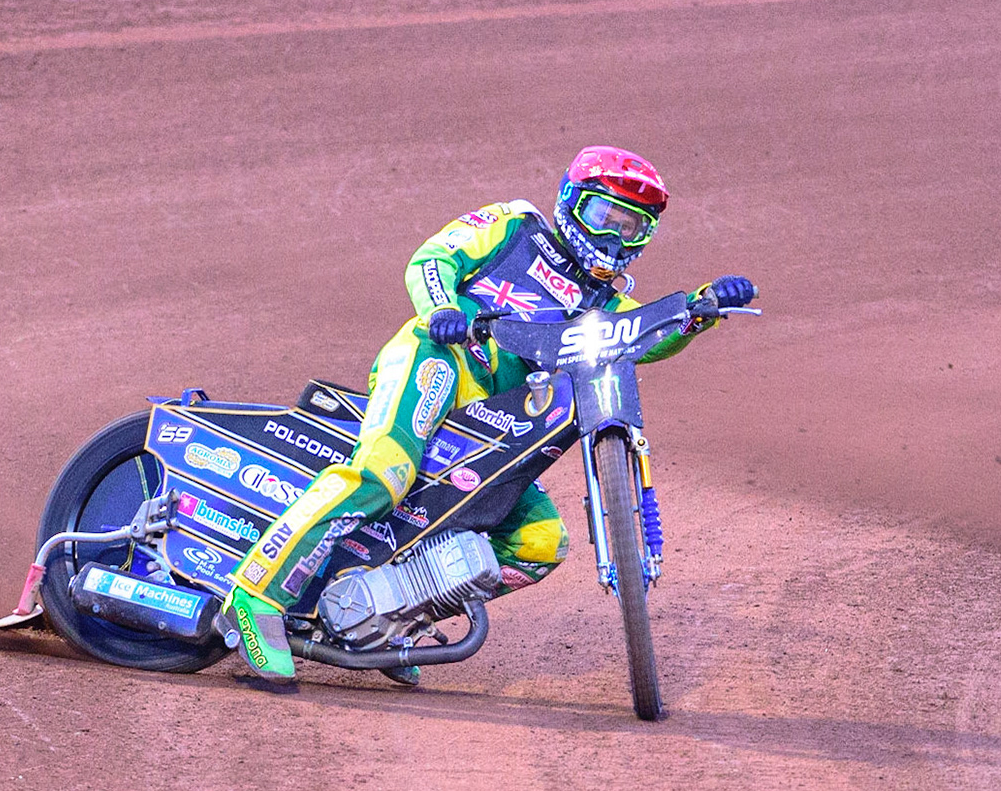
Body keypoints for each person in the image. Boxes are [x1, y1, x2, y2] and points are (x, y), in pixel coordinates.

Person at [220, 145, 757, 682]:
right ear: (572, 203)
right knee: (385, 474)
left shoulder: (605, 307)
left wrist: (701, 310)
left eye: (630, 227)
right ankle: (254, 596)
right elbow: (433, 258)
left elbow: (647, 337)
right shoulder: (516, 226)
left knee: (540, 542)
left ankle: (384, 618)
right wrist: (441, 309)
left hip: (497, 422)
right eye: (603, 216)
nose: (613, 237)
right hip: (438, 361)